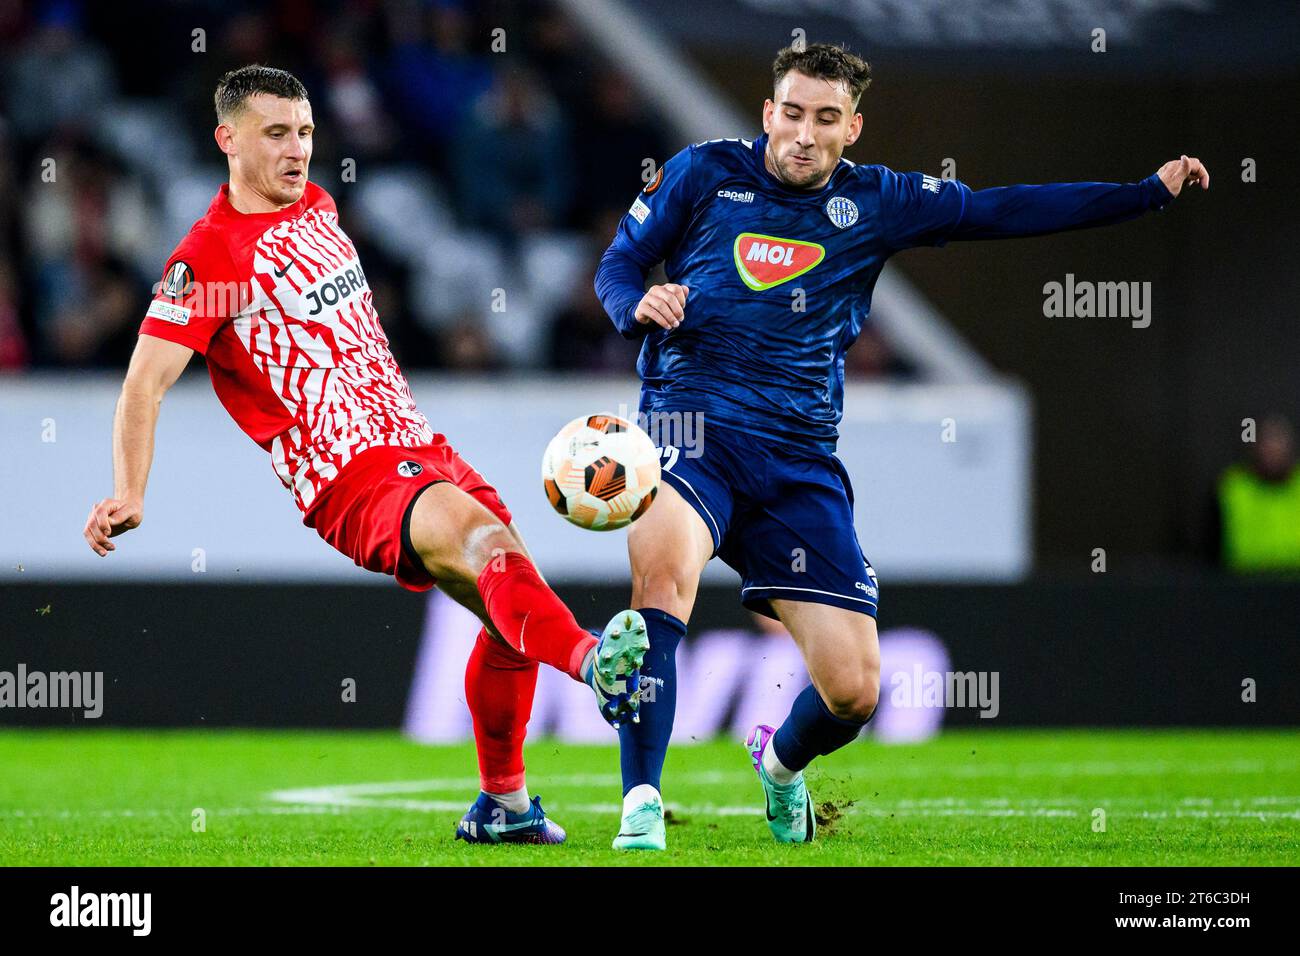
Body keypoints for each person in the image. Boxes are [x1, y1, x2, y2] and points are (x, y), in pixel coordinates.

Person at [595, 42, 1208, 848]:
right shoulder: (702, 172)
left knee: (853, 692)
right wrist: (638, 303)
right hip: (690, 430)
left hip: (797, 464)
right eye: (792, 113)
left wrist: (1143, 195)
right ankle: (641, 803)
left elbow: (1004, 210)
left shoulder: (880, 202)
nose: (804, 135)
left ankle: (779, 766)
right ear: (768, 112)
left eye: (825, 119)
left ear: (854, 127)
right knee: (661, 582)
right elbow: (619, 263)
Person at [81, 65, 648, 846]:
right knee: (490, 550)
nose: (297, 150)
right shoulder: (210, 259)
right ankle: (592, 665)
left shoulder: (319, 206)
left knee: (506, 600)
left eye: (306, 132)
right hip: (348, 474)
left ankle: (505, 808)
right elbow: (143, 385)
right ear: (227, 140)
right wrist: (129, 491)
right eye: (276, 133)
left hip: (417, 442)